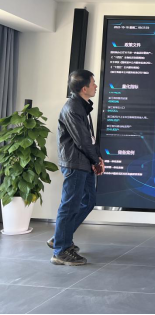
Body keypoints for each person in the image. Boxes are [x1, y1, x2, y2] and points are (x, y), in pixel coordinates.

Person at [49, 70, 105, 266]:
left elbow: (89, 138)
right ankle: (60, 251)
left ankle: (60, 237)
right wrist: (96, 161)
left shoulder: (82, 106)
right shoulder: (72, 108)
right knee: (70, 205)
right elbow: (82, 140)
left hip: (84, 162)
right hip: (75, 163)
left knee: (88, 201)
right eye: (93, 83)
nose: (95, 86)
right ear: (84, 88)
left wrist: (97, 158)